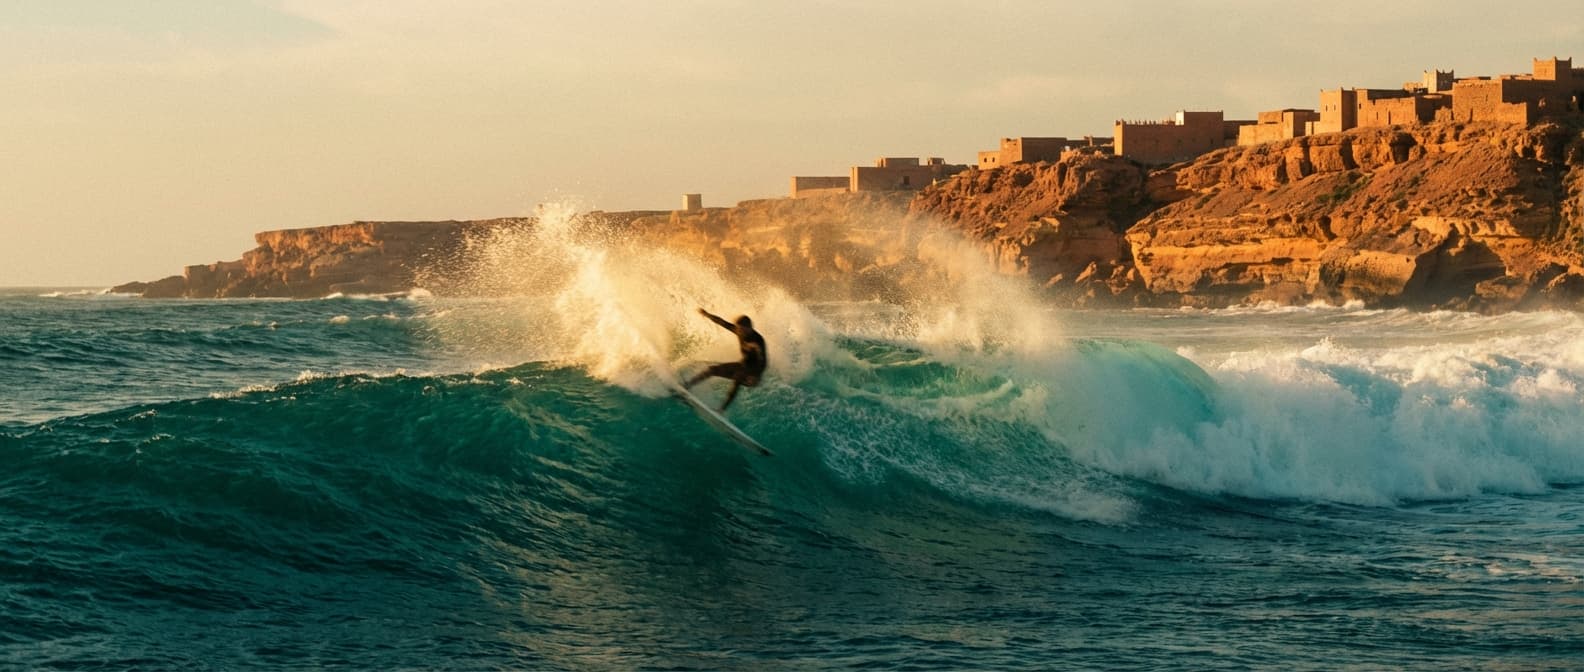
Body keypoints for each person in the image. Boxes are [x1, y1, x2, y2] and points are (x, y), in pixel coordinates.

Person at [685, 308, 767, 411]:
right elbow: (722, 322)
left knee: (738, 376)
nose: (739, 332)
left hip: (754, 374)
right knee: (712, 370)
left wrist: (756, 376)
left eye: (742, 329)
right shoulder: (739, 331)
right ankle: (687, 385)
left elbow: (763, 363)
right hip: (743, 365)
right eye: (738, 329)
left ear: (750, 328)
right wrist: (707, 314)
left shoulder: (758, 341)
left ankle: (721, 410)